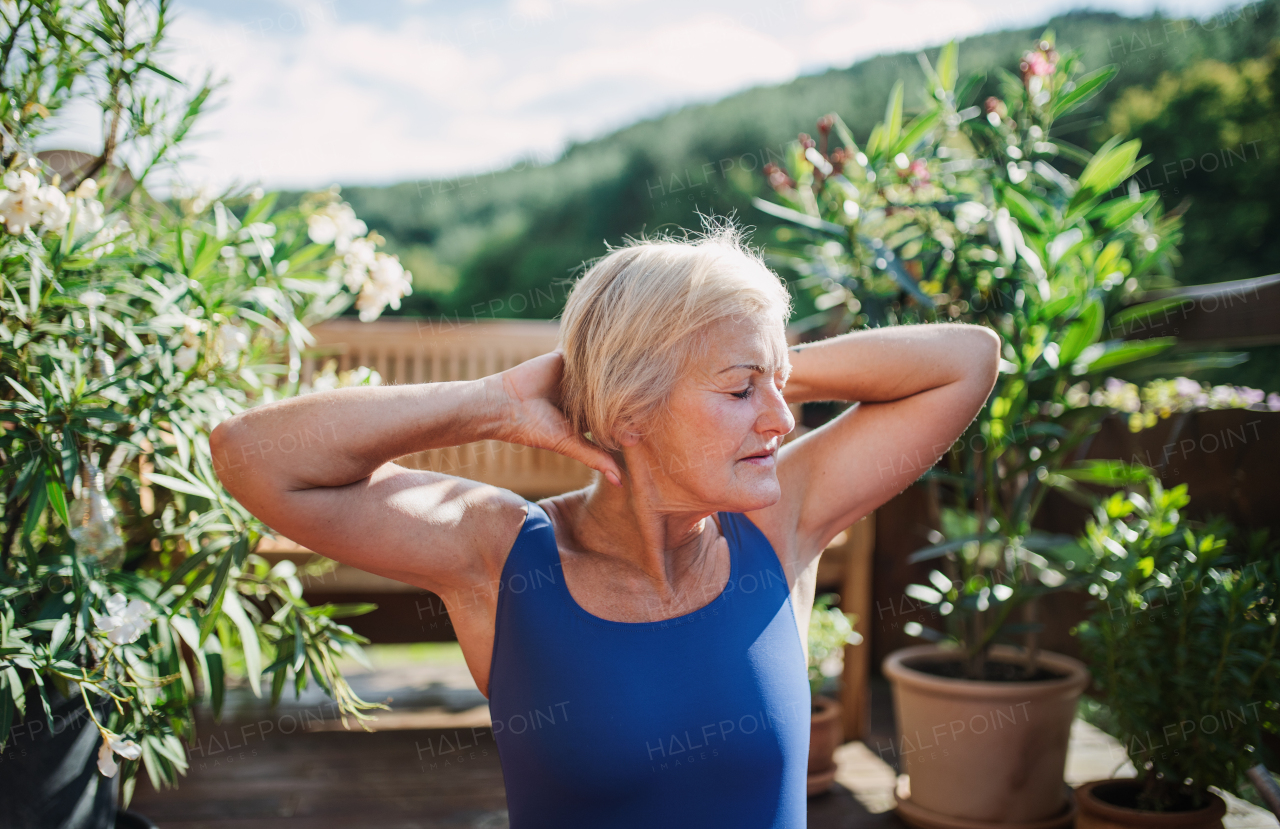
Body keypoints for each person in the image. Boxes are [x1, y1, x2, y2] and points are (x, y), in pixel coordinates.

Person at [210, 224, 1000, 828]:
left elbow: (968, 359)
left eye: (779, 386)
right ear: (629, 410)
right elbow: (250, 456)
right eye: (739, 392)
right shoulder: (501, 554)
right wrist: (497, 403)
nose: (783, 418)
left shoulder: (777, 522)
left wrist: (756, 359)